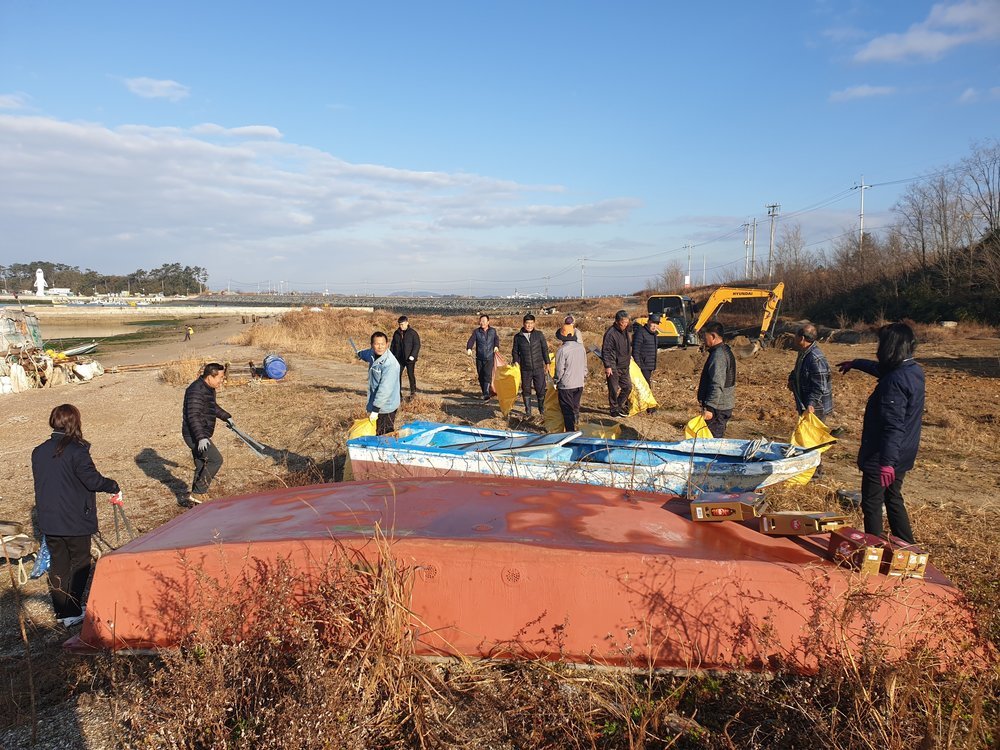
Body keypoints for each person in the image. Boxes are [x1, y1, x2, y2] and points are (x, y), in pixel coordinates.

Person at [31, 404, 120, 627]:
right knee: (80, 562)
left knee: (59, 564)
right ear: (74, 422)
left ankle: (62, 611)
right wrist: (113, 486)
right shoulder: (77, 451)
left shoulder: (38, 451)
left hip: (50, 520)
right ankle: (71, 611)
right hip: (75, 519)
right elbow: (92, 480)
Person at [838, 322, 924, 544]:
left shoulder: (894, 382)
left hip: (884, 455)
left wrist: (887, 463)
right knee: (893, 497)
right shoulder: (912, 370)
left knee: (872, 502)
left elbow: (892, 425)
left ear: (889, 347)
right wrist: (856, 363)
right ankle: (907, 546)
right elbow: (881, 369)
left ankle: (873, 548)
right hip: (903, 451)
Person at [181, 362, 234, 506]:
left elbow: (211, 406)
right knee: (215, 460)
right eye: (220, 378)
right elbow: (193, 416)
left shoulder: (207, 388)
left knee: (201, 464)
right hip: (194, 435)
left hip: (199, 434)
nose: (221, 381)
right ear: (210, 376)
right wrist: (201, 437)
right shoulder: (196, 390)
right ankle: (198, 493)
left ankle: (195, 499)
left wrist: (226, 416)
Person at [357, 331, 401, 435]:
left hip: (386, 406)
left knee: (384, 434)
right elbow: (367, 354)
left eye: (383, 344)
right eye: (377, 344)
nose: (380, 347)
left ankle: (387, 450)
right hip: (377, 403)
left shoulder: (390, 364)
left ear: (387, 344)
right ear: (372, 345)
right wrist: (359, 354)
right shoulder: (372, 353)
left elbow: (385, 389)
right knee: (377, 431)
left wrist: (376, 409)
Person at [697, 322, 736, 437]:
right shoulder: (724, 351)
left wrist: (710, 408)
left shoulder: (718, 356)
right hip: (722, 406)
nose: (704, 340)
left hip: (717, 409)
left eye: (705, 336)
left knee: (713, 441)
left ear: (713, 336)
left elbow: (717, 383)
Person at [787, 323, 833, 419]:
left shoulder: (815, 358)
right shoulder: (803, 352)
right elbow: (799, 370)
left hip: (816, 407)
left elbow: (820, 386)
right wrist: (792, 379)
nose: (794, 338)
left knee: (814, 432)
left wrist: (811, 403)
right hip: (805, 402)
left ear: (802, 338)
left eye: (796, 335)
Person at [511, 313, 550, 416]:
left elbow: (544, 349)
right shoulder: (518, 337)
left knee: (541, 390)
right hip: (525, 368)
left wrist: (547, 363)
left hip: (538, 368)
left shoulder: (539, 335)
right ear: (524, 324)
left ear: (534, 323)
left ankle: (542, 410)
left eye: (531, 323)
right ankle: (528, 411)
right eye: (527, 323)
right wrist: (516, 361)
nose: (529, 325)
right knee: (526, 390)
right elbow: (515, 351)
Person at [554, 325, 587, 431]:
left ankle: (570, 432)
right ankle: (577, 425)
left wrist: (556, 381)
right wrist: (582, 377)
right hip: (579, 383)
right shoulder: (581, 348)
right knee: (575, 407)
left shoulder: (562, 350)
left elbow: (559, 370)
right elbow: (585, 367)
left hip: (566, 385)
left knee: (567, 411)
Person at [601, 310, 633, 417]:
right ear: (617, 322)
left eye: (626, 322)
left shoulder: (626, 331)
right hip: (614, 365)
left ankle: (618, 405)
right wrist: (608, 366)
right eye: (622, 322)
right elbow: (606, 350)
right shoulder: (611, 334)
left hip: (625, 365)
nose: (624, 324)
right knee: (613, 389)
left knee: (628, 387)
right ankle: (613, 409)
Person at [466, 314, 500, 400]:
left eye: (484, 321)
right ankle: (485, 391)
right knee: (481, 376)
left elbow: (496, 339)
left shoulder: (493, 331)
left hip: (489, 357)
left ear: (488, 322)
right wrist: (469, 348)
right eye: (481, 321)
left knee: (487, 374)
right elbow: (471, 340)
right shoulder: (476, 332)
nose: (482, 323)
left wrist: (496, 346)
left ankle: (486, 394)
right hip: (479, 357)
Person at [632, 313, 660, 413]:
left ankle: (635, 405)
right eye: (653, 323)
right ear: (648, 322)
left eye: (657, 324)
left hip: (649, 365)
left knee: (643, 386)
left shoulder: (654, 335)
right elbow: (636, 350)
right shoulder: (641, 333)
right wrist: (638, 366)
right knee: (645, 386)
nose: (655, 326)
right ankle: (650, 408)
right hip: (642, 365)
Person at [390, 315, 421, 399]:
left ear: (407, 323)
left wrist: (413, 355)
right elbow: (393, 345)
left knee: (410, 375)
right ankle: (398, 394)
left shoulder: (413, 333)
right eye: (399, 324)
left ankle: (413, 392)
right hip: (399, 359)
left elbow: (417, 345)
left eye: (402, 324)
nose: (401, 326)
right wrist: (392, 356)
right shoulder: (396, 333)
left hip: (410, 359)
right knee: (397, 375)